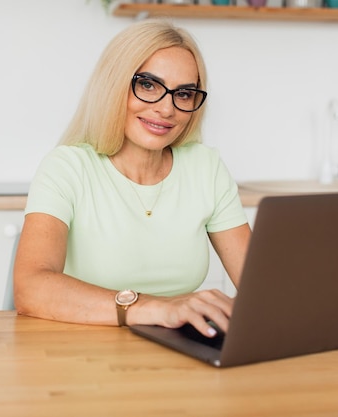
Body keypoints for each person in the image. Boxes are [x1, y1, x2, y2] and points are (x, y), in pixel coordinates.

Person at [14, 19, 251, 338]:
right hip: (82, 351)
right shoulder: (67, 167)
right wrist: (155, 308)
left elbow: (261, 289)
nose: (167, 109)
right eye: (149, 85)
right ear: (114, 86)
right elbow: (31, 289)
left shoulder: (206, 168)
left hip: (180, 351)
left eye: (183, 93)